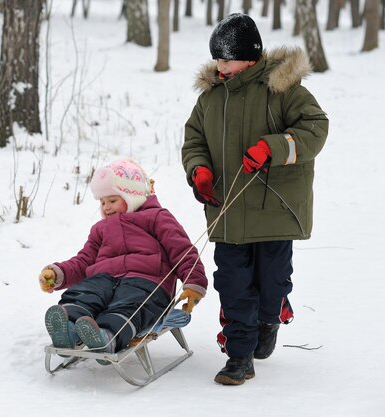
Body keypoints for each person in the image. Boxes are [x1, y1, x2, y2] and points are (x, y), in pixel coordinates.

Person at [182, 13, 328, 385]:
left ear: (250, 57)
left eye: (226, 59)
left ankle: (270, 316)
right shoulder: (212, 97)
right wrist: (198, 170)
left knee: (272, 280)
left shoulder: (284, 88)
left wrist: (272, 147)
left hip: (273, 209)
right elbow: (194, 140)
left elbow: (315, 128)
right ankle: (239, 356)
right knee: (232, 283)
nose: (220, 67)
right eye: (216, 59)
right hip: (227, 212)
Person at [38, 159, 208, 363]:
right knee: (87, 291)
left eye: (112, 201)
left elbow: (181, 249)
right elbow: (84, 260)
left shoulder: (156, 217)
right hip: (105, 278)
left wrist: (194, 282)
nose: (106, 207)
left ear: (132, 196)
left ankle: (107, 336)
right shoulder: (100, 229)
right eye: (102, 202)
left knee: (129, 303)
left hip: (147, 282)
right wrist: (58, 273)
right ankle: (69, 329)